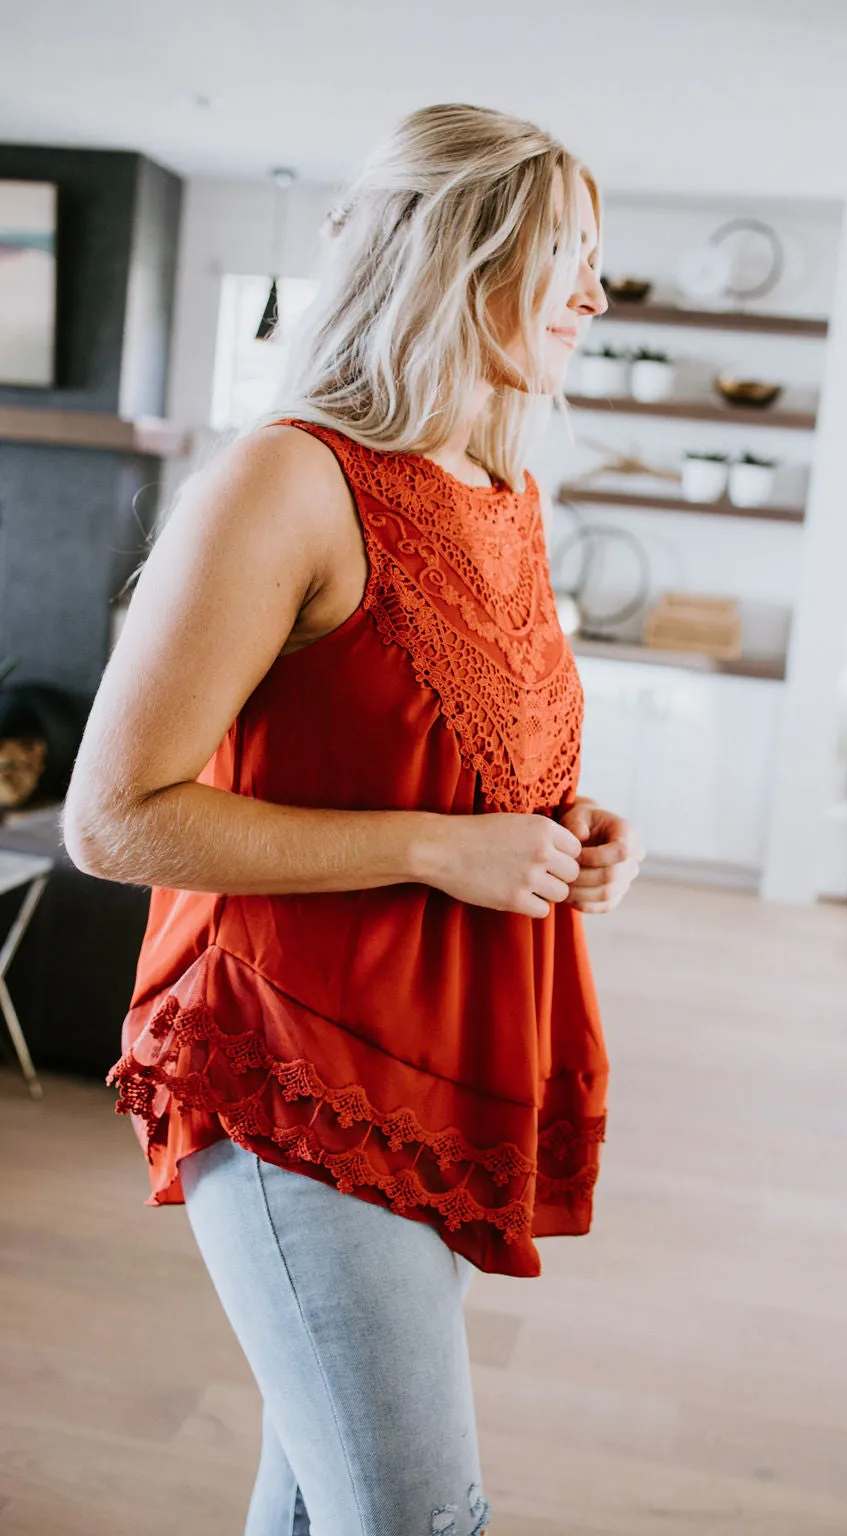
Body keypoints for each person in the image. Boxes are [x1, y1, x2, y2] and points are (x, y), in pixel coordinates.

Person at [63, 102, 644, 1536]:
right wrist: (441, 848)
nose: (594, 292)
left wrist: (568, 832)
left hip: (438, 1065)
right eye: (565, 253)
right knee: (413, 1517)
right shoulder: (287, 480)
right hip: (289, 1067)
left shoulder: (505, 490)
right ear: (457, 258)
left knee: (321, 1499)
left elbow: (445, 751)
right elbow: (114, 820)